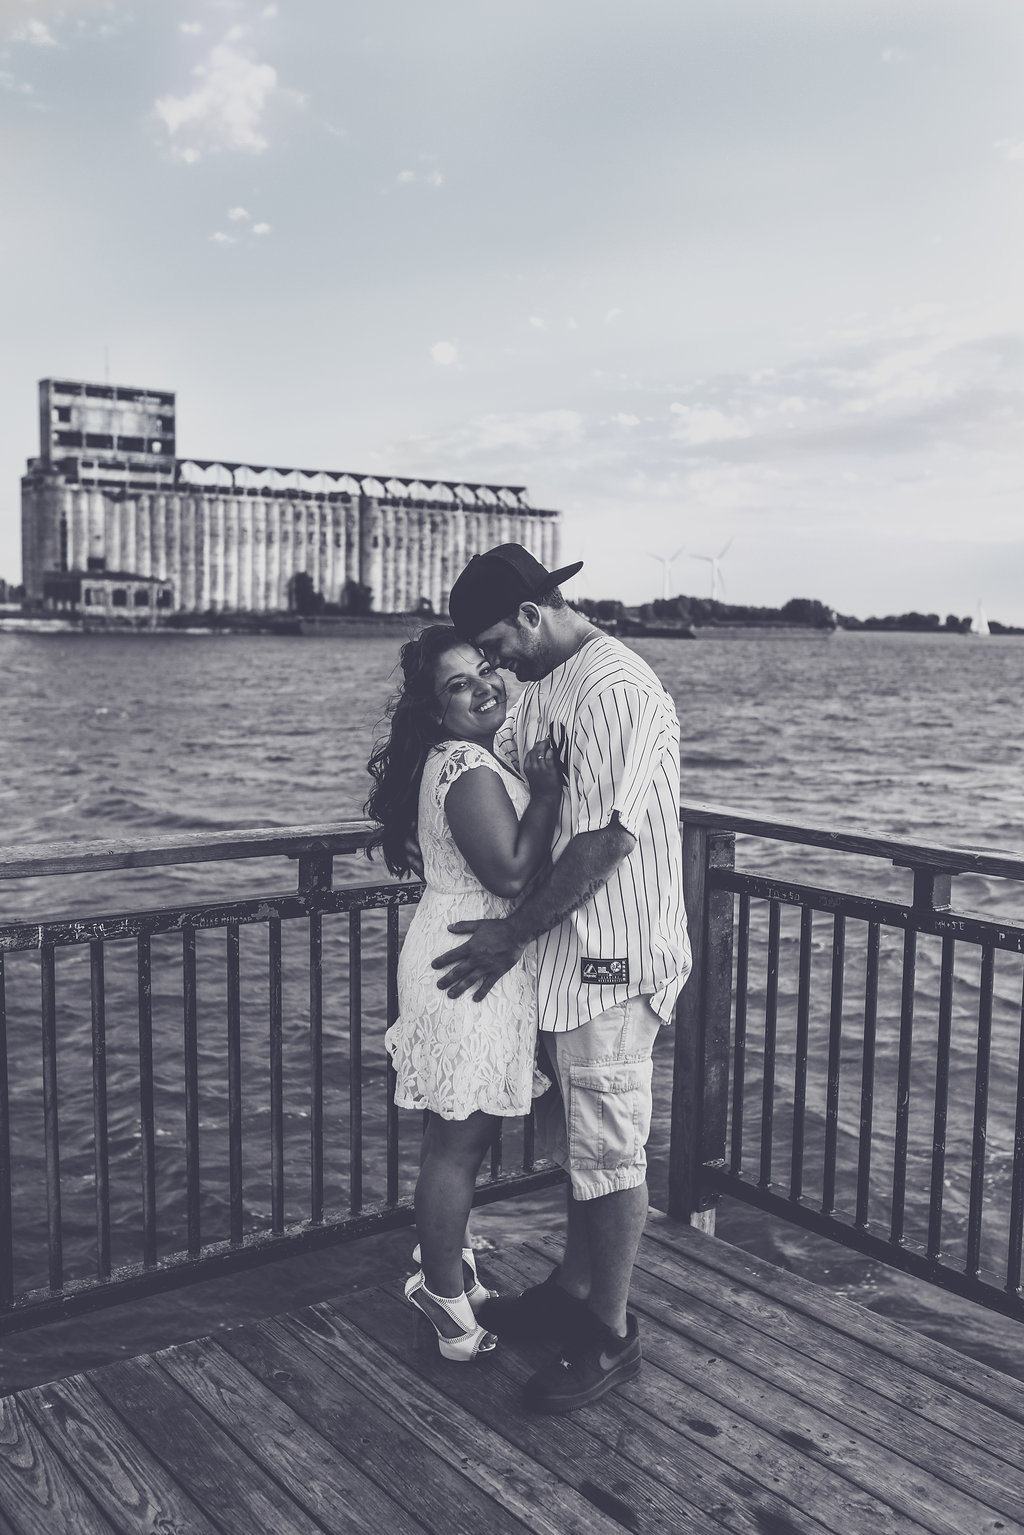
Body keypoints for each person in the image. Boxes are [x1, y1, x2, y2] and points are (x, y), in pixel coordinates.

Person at [436, 543, 691, 1412]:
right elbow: (500, 758)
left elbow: (608, 839)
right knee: (585, 1145)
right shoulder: (548, 682)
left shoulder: (616, 688)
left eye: (496, 645)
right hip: (565, 961)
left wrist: (511, 932)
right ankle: (574, 1289)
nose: (495, 664)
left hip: (612, 961)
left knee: (613, 1153)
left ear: (532, 614)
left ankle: (610, 1332)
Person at [365, 622, 562, 1362]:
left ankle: (449, 1267)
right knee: (458, 1144)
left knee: (456, 1137)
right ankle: (443, 1297)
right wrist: (548, 791)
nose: (483, 687)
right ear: (435, 708)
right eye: (459, 683)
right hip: (466, 965)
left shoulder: (462, 756)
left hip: (464, 955)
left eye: (485, 668)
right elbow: (509, 873)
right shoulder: (465, 765)